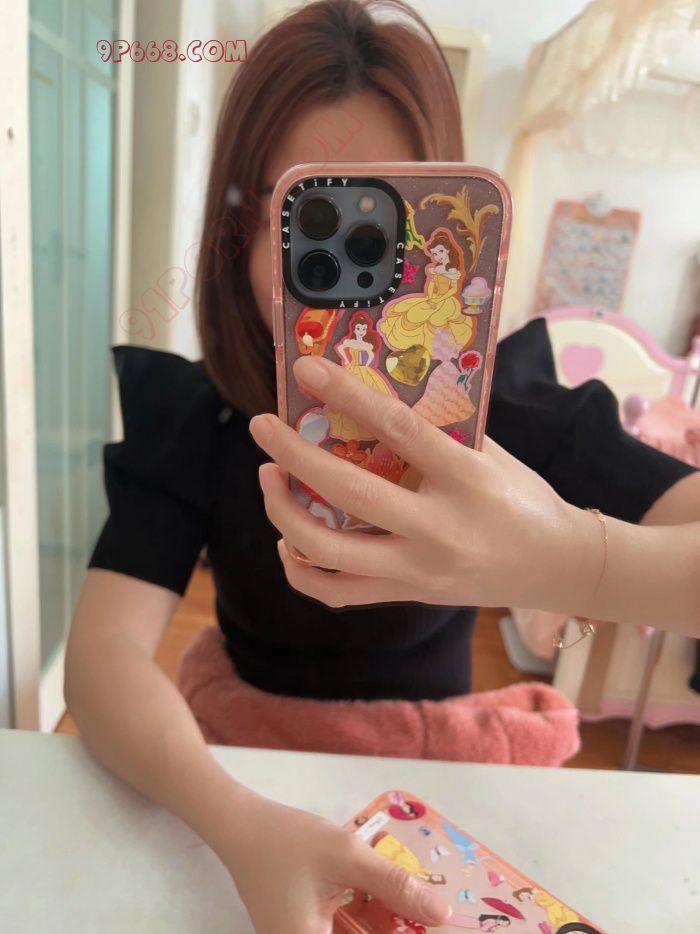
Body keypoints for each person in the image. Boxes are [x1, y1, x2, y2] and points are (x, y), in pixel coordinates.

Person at [64, 2, 699, 932]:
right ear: (239, 231)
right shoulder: (199, 417)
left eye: (380, 232)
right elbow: (102, 658)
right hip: (249, 772)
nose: (345, 282)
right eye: (304, 220)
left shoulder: (509, 409)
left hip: (439, 787)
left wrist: (570, 562)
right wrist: (238, 825)